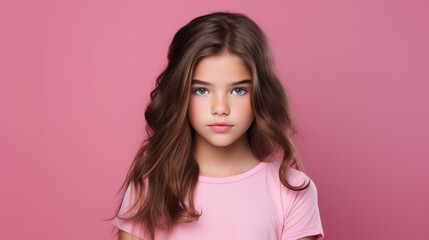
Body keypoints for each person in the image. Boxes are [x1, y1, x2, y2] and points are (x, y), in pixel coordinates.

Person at [109, 11, 324, 240]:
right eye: (201, 90)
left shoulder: (293, 191)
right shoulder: (149, 187)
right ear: (180, 94)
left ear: (260, 95)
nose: (220, 108)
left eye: (238, 90)